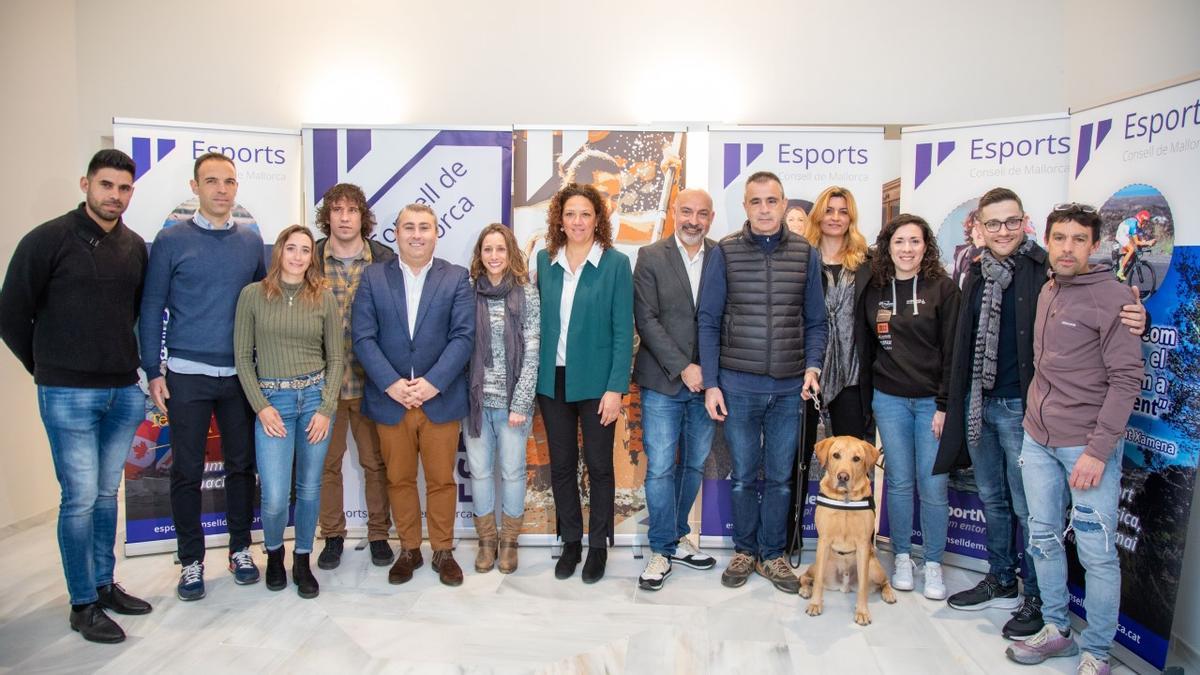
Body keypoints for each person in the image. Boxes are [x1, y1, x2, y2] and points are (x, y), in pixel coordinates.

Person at [937, 188, 1145, 639]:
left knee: (1032, 514)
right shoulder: (975, 271)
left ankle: (1036, 597)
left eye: (1011, 221)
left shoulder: (1046, 271)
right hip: (981, 405)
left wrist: (1134, 315)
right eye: (993, 223)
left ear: (1025, 223)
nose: (1003, 231)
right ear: (980, 227)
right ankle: (1001, 576)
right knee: (992, 498)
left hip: (1025, 412)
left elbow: (1100, 307)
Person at [0, 149, 152, 642]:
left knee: (108, 494)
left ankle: (105, 585)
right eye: (107, 185)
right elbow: (11, 314)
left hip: (122, 391)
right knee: (80, 497)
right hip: (67, 392)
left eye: (124, 188)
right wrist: (45, 367)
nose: (115, 196)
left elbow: (132, 313)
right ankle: (82, 602)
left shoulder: (133, 246)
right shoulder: (47, 240)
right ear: (85, 184)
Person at [1004, 204, 1142, 675]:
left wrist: (1098, 451)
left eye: (1077, 239)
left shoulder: (1114, 299)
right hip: (1037, 438)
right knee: (1042, 538)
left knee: (1097, 553)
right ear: (1046, 238)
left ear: (1094, 244)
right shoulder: (1048, 290)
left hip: (1085, 447)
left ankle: (1098, 653)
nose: (1066, 248)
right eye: (1058, 238)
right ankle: (1057, 630)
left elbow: (1126, 381)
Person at [139, 151, 266, 601]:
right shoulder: (170, 240)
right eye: (211, 181)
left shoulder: (252, 242)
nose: (221, 189)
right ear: (195, 187)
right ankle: (191, 561)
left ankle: (239, 551)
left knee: (240, 468)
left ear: (236, 188)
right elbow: (152, 306)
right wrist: (152, 370)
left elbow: (263, 307)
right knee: (187, 472)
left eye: (229, 181)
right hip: (186, 374)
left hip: (238, 375)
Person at [698, 170, 827, 594]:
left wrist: (813, 366)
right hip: (739, 386)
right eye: (756, 201)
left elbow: (816, 321)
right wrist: (713, 384)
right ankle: (744, 551)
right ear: (746, 207)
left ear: (785, 205)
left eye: (772, 201)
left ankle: (772, 556)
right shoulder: (726, 252)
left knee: (781, 478)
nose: (765, 209)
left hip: (791, 389)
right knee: (742, 476)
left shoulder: (806, 254)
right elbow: (709, 321)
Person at [352, 203, 474, 587]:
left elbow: (463, 336)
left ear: (436, 233)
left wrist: (432, 382)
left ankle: (442, 550)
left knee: (441, 480)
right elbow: (363, 337)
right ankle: (408, 549)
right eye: (409, 227)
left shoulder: (456, 277)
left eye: (424, 227)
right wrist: (392, 383)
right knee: (400, 480)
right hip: (391, 400)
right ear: (396, 233)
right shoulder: (373, 277)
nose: (417, 234)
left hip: (439, 398)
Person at [233, 225, 342, 598]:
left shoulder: (323, 297)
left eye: (305, 250)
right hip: (273, 404)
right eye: (291, 248)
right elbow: (243, 360)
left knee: (310, 489)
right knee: (276, 495)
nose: (298, 256)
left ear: (313, 257)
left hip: (314, 400)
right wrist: (261, 408)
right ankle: (275, 554)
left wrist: (327, 408)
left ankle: (302, 559)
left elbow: (337, 358)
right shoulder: (252, 296)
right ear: (278, 252)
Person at [535, 183, 634, 584]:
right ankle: (571, 542)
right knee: (561, 466)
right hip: (552, 381)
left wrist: (615, 388)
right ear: (560, 218)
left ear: (598, 220)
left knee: (598, 467)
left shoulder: (615, 264)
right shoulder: (544, 261)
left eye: (586, 214)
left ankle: (598, 546)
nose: (577, 221)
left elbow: (622, 332)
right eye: (571, 214)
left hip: (597, 384)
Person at [858, 214, 959, 601]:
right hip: (889, 399)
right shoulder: (875, 289)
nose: (906, 249)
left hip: (933, 403)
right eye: (899, 242)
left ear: (925, 246)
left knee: (933, 484)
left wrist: (946, 404)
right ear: (888, 246)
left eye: (914, 242)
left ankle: (932, 562)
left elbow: (953, 352)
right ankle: (901, 556)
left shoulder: (944, 289)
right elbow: (866, 345)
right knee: (898, 482)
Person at [633, 188, 718, 591]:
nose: (693, 220)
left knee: (694, 464)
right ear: (672, 212)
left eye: (701, 214)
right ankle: (660, 549)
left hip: (708, 385)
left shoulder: (721, 255)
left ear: (711, 218)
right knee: (662, 466)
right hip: (664, 381)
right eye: (686, 211)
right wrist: (684, 367)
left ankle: (678, 535)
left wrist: (709, 373)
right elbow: (646, 320)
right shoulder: (650, 257)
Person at [312, 183, 397, 571]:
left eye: (352, 210)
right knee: (326, 466)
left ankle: (379, 535)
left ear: (364, 217)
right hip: (321, 383)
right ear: (326, 216)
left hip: (371, 381)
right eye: (337, 209)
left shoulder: (383, 259)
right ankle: (332, 536)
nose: (344, 217)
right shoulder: (309, 257)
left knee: (375, 463)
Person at [463, 223, 540, 574]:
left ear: (511, 253)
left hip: (512, 405)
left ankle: (509, 542)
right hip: (475, 404)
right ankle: (486, 542)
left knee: (511, 472)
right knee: (479, 473)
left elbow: (533, 351)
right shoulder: (468, 293)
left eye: (500, 249)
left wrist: (520, 403)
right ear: (480, 255)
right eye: (488, 250)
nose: (494, 256)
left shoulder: (526, 293)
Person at [1115, 209, 1156, 281]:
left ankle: (1122, 262)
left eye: (1146, 222)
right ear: (1140, 219)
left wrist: (1150, 243)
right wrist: (1148, 243)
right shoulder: (1134, 224)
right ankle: (1120, 270)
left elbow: (1142, 242)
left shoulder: (1139, 227)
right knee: (1131, 249)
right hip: (1121, 233)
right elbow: (1137, 242)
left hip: (1126, 235)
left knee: (1131, 253)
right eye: (1144, 222)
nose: (1145, 224)